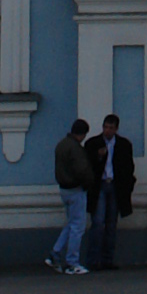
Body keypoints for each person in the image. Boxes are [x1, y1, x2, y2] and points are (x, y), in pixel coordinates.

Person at [86, 109, 137, 269]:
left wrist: (127, 185)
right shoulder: (93, 143)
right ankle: (93, 259)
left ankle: (107, 259)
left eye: (110, 128)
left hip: (115, 185)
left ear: (116, 129)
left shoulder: (124, 145)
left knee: (111, 223)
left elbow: (128, 167)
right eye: (105, 127)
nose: (107, 131)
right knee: (98, 222)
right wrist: (98, 157)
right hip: (99, 185)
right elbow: (87, 166)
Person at [48, 114, 94, 278]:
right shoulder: (76, 149)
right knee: (77, 227)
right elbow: (82, 170)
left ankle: (55, 253)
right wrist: (89, 182)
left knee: (71, 224)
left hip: (64, 189)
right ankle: (72, 263)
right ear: (82, 134)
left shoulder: (61, 145)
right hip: (76, 190)